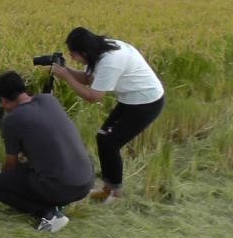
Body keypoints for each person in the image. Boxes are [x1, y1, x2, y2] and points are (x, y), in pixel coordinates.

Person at [52, 27, 165, 203]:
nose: (72, 58)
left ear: (84, 52)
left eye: (73, 54)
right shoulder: (99, 51)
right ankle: (107, 189)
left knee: (111, 144)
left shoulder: (111, 60)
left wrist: (67, 77)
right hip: (131, 99)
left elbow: (94, 97)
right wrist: (65, 69)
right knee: (103, 138)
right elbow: (87, 79)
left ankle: (116, 195)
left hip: (146, 102)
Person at [0, 71, 95, 232]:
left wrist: (6, 177)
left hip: (63, 187)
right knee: (27, 170)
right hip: (86, 182)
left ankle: (49, 214)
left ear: (4, 100)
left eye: (1, 103)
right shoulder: (49, 100)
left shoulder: (11, 120)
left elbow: (11, 165)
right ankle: (57, 200)